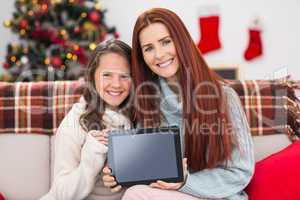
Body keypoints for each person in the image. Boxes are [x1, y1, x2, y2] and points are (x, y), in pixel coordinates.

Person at [102, 8, 254, 200]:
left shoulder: (224, 97)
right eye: (148, 48)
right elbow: (149, 171)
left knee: (136, 195)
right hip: (172, 196)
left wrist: (185, 182)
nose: (159, 54)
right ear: (142, 57)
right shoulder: (147, 101)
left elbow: (241, 172)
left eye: (166, 42)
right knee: (134, 192)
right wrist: (119, 175)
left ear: (181, 41)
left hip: (220, 197)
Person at [40, 39, 134, 200]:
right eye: (107, 75)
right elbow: (61, 194)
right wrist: (92, 154)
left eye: (124, 76)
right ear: (92, 76)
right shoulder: (75, 122)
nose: (116, 84)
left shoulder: (136, 116)